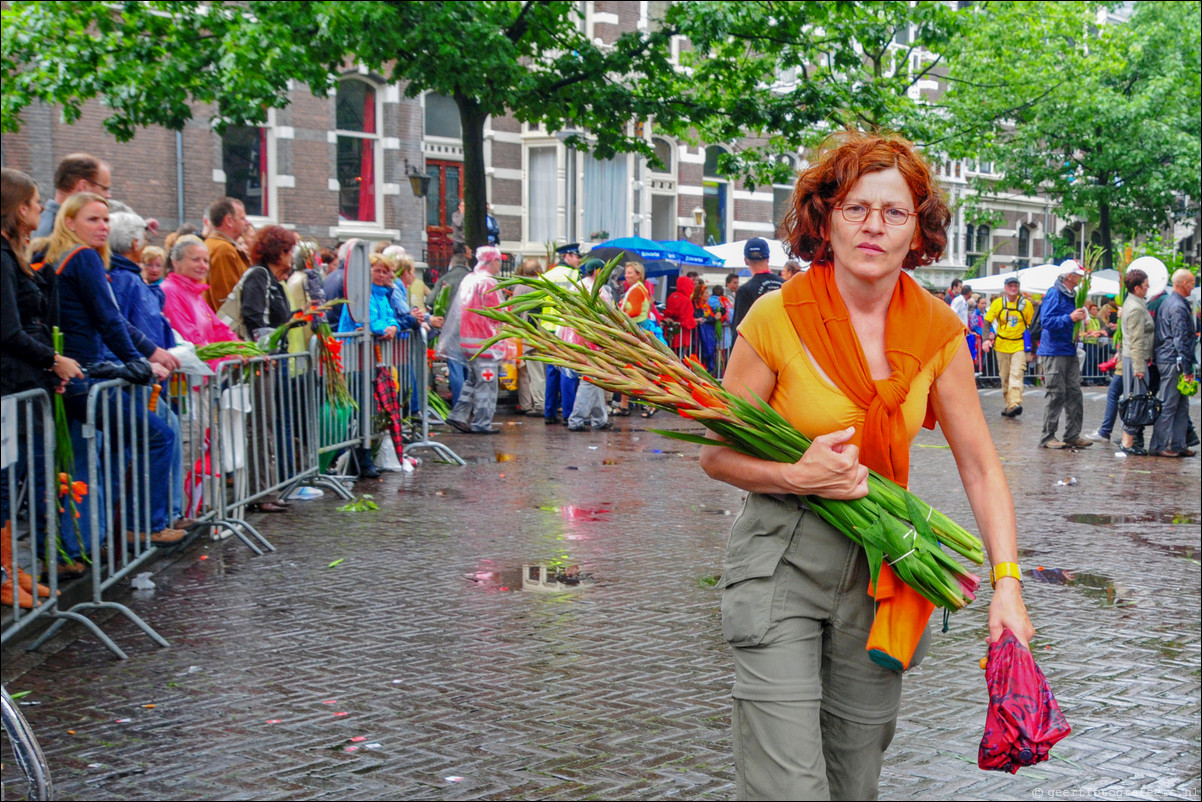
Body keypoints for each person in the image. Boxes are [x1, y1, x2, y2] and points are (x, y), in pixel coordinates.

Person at [698, 130, 1032, 800]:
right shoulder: (775, 318)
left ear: (920, 229)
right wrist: (795, 475)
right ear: (826, 218)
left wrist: (1006, 583)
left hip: (885, 572)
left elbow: (980, 466)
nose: (874, 226)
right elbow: (715, 452)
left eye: (894, 212)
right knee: (788, 787)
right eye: (856, 208)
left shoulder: (939, 331)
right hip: (781, 561)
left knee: (855, 782)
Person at [47, 192, 185, 547]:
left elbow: (115, 319)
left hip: (65, 374)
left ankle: (74, 549)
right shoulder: (83, 257)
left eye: (106, 219)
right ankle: (145, 524)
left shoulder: (53, 255)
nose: (103, 227)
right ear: (69, 221)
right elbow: (109, 321)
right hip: (83, 376)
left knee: (78, 465)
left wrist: (147, 352)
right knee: (160, 436)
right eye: (93, 219)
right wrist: (138, 365)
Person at [1, 168, 86, 602]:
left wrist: (47, 370)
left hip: (26, 384)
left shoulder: (11, 254)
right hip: (10, 388)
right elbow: (9, 331)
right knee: (4, 485)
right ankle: (3, 575)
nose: (40, 209)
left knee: (16, 482)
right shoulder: (1, 257)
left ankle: (11, 569)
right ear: (19, 208)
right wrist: (55, 361)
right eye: (35, 202)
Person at [446, 246, 505, 434]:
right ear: (492, 261)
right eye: (499, 260)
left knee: (472, 380)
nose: (500, 264)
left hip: (468, 340)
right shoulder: (488, 282)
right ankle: (482, 423)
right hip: (485, 341)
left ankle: (458, 415)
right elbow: (496, 313)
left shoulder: (469, 279)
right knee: (487, 383)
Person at [1036, 262, 1092, 449]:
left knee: (1074, 393)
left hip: (1068, 348)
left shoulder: (1072, 295)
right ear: (1069, 276)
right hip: (1054, 350)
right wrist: (1070, 318)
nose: (1081, 278)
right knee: (1056, 393)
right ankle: (1048, 436)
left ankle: (1072, 434)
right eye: (1078, 275)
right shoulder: (1054, 293)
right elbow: (1046, 321)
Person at [160, 236, 242, 353]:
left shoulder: (195, 293)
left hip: (206, 366)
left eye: (206, 261)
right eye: (195, 260)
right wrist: (226, 356)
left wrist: (241, 349)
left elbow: (218, 328)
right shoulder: (169, 291)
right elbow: (189, 338)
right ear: (175, 263)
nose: (203, 266)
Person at [1148, 269, 1197, 457]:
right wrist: (1186, 368)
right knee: (1170, 404)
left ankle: (1178, 443)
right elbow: (1180, 338)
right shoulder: (1177, 306)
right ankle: (1158, 445)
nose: (1193, 286)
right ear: (1183, 284)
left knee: (1181, 404)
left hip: (1169, 358)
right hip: (1172, 361)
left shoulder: (1170, 303)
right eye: (1191, 282)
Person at [566, 258, 614, 432]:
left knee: (595, 380)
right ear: (597, 271)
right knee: (590, 379)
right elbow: (605, 316)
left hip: (580, 337)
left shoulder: (578, 285)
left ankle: (600, 418)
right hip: (593, 339)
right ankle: (576, 419)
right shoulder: (598, 289)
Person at [427, 242, 474, 405]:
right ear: (466, 263)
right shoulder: (473, 279)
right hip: (472, 329)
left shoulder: (444, 279)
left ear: (451, 264)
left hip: (451, 328)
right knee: (471, 368)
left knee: (455, 367)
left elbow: (430, 301)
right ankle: (471, 404)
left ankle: (459, 406)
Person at [542, 243, 583, 425]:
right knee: (568, 371)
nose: (579, 260)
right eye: (576, 256)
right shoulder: (576, 275)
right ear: (567, 256)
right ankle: (568, 413)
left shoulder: (546, 275)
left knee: (552, 372)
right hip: (566, 330)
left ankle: (549, 413)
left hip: (548, 329)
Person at [1116, 269, 1154, 455]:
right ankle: (1127, 441)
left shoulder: (1134, 303)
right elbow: (1136, 340)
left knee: (1134, 398)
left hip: (1132, 357)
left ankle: (1130, 439)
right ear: (1137, 287)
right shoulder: (1136, 308)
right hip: (1135, 358)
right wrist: (1139, 367)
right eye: (1146, 285)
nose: (1148, 288)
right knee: (1136, 400)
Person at [984, 276, 1033, 417]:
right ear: (1005, 288)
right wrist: (986, 340)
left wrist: (1033, 349)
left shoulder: (1026, 305)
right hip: (1001, 345)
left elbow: (1032, 326)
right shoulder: (998, 304)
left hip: (1019, 345)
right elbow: (987, 322)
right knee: (1004, 377)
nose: (1013, 288)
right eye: (1010, 286)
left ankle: (1015, 403)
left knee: (1016, 374)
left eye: (1015, 286)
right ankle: (1008, 404)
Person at [32, 153, 112, 238]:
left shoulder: (41, 221)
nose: (108, 196)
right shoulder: (58, 230)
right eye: (104, 189)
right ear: (83, 186)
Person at [511, 258, 546, 416]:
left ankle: (532, 404)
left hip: (527, 333)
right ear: (539, 270)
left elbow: (514, 311)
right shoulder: (544, 285)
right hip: (545, 334)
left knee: (528, 372)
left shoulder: (521, 287)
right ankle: (543, 403)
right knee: (541, 371)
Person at [203, 197, 251, 311]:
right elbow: (228, 301)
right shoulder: (223, 250)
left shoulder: (213, 245)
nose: (247, 223)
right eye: (242, 218)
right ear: (229, 221)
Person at [732, 238, 784, 330]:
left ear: (746, 261)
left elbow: (739, 330)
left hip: (760, 343)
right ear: (768, 259)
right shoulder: (786, 285)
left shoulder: (745, 291)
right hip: (786, 342)